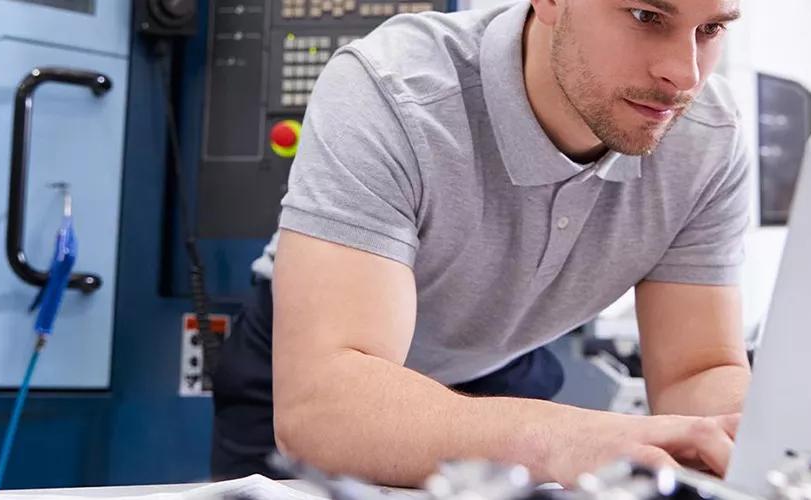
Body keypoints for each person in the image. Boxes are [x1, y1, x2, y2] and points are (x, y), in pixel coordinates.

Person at [212, 0, 750, 487]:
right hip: (324, 372)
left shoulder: (709, 139)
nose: (683, 75)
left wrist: (747, 442)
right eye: (645, 17)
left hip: (499, 372)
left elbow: (696, 371)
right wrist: (562, 438)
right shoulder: (393, 90)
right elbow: (326, 407)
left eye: (711, 29)